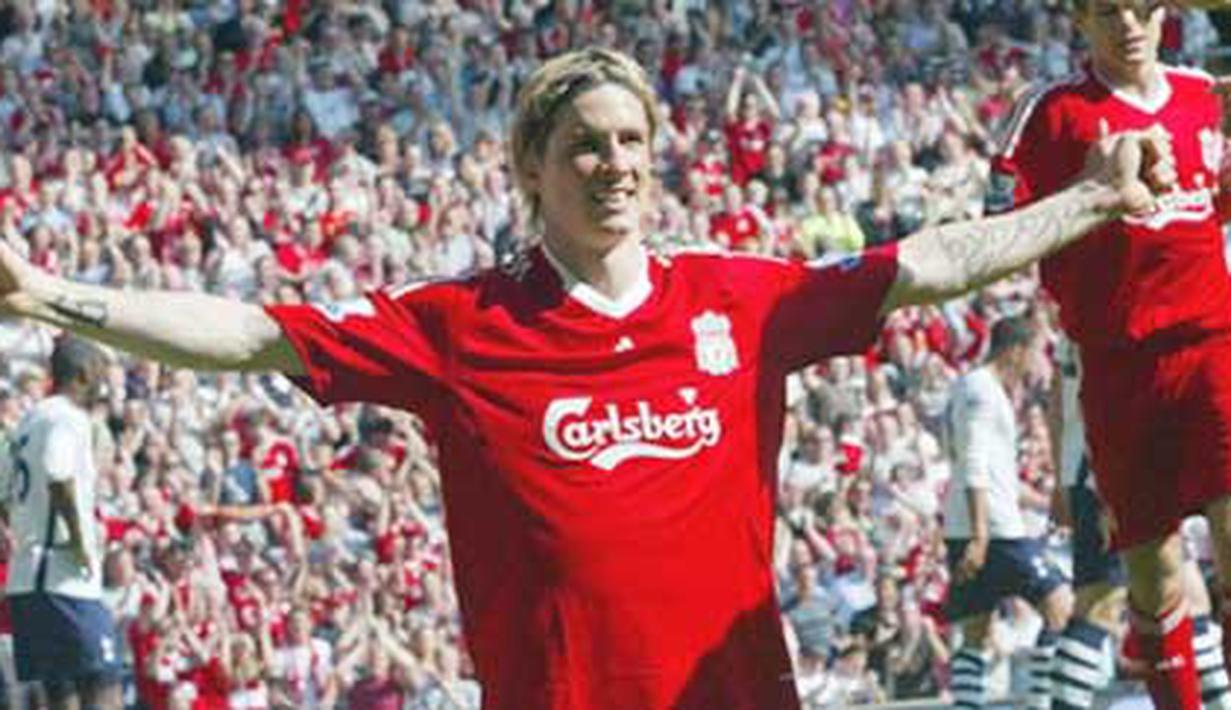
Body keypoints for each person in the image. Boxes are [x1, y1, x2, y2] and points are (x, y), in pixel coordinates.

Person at [0, 47, 1173, 709]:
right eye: (586, 144)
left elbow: (923, 264)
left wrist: (1085, 198)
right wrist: (50, 294)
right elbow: (254, 330)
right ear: (531, 164)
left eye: (632, 142)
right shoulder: (461, 323)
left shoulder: (736, 298)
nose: (615, 164)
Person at [990, 0, 1231, 705]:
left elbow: (1213, 206)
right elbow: (997, 228)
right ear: (1078, 22)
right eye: (1104, 12)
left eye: (1137, 8)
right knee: (1153, 577)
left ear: (1163, 14)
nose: (1125, 24)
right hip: (1116, 366)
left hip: (1212, 348)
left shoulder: (1202, 97)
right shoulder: (1050, 113)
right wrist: (1091, 194)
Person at [1049, 331, 1231, 708]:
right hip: (1103, 467)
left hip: (1123, 460)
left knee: (1190, 598)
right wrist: (1072, 479)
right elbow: (1067, 393)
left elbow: (1059, 391)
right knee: (1100, 601)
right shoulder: (1101, 307)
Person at [941, 315, 1073, 709]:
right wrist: (981, 535)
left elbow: (993, 471)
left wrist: (1045, 501)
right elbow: (974, 463)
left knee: (975, 634)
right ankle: (1038, 703)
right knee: (1061, 607)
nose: (1038, 363)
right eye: (1036, 352)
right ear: (1016, 351)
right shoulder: (981, 390)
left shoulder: (980, 388)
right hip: (995, 532)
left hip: (973, 525)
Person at [0, 336, 122, 709]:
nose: (105, 384)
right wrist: (82, 542)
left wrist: (21, 531)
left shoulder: (27, 422)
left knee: (60, 697)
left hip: (26, 580)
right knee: (105, 687)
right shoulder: (67, 418)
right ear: (84, 373)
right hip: (64, 578)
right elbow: (58, 471)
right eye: (102, 374)